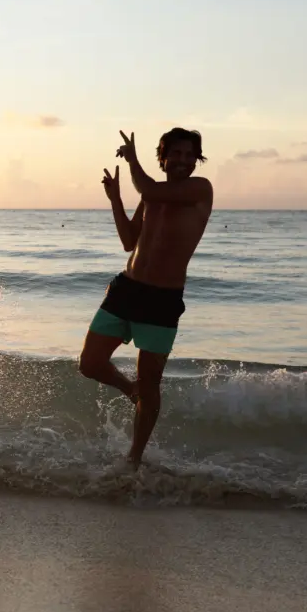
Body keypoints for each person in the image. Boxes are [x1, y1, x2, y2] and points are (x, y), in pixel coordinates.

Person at [78, 128, 213, 468]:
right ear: (164, 157)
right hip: (126, 289)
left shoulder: (200, 189)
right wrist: (115, 200)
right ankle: (129, 389)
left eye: (190, 155)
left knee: (151, 382)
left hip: (162, 300)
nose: (183, 161)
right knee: (89, 364)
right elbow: (128, 241)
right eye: (177, 154)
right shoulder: (151, 195)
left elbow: (149, 186)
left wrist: (134, 160)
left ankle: (134, 459)